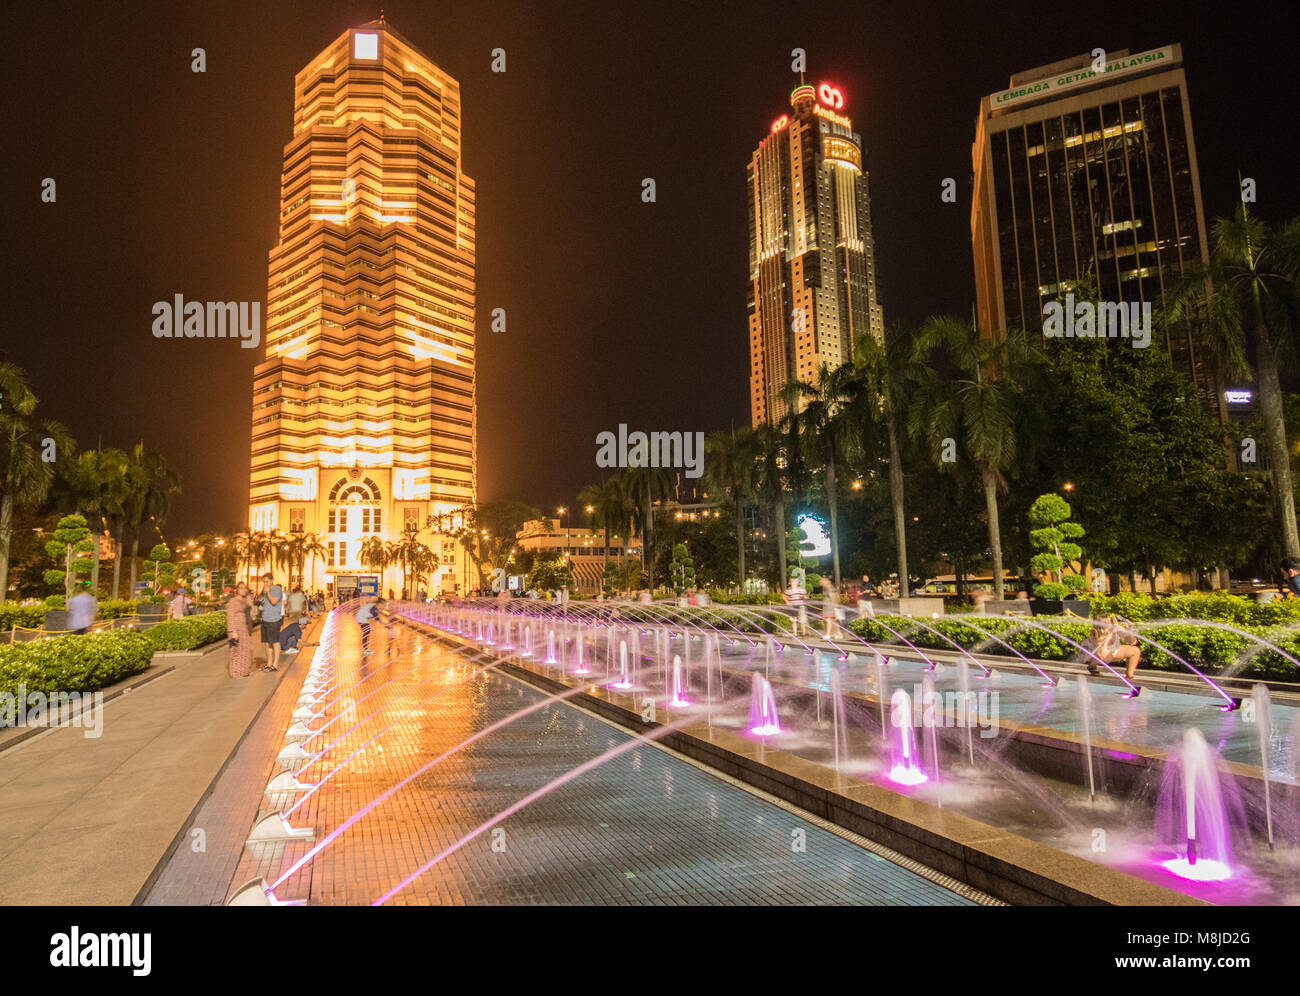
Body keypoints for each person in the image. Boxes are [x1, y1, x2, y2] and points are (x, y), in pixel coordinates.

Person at [1086, 614, 1142, 686]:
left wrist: (1129, 630)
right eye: (1109, 622)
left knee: (1135, 650)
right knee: (1102, 653)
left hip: (1106, 654)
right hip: (1099, 655)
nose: (1112, 623)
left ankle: (1129, 676)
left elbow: (1133, 642)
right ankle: (1092, 666)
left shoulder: (1115, 629)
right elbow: (1099, 643)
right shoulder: (1096, 631)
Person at [225, 582, 254, 678]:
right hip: (235, 629)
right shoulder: (232, 601)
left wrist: (251, 605)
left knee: (246, 649)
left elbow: (253, 615)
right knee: (236, 650)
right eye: (241, 588)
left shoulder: (245, 601)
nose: (243, 590)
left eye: (245, 588)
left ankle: (244, 671)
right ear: (237, 589)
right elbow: (230, 616)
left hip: (244, 628)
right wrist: (233, 631)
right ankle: (235, 673)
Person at [257, 572, 284, 673]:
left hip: (274, 620)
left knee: (275, 642)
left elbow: (274, 601)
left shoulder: (276, 589)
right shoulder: (264, 591)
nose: (265, 584)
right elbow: (264, 604)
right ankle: (269, 664)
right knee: (267, 643)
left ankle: (275, 665)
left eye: (267, 581)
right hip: (265, 619)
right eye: (264, 582)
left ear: (272, 581)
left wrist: (268, 592)